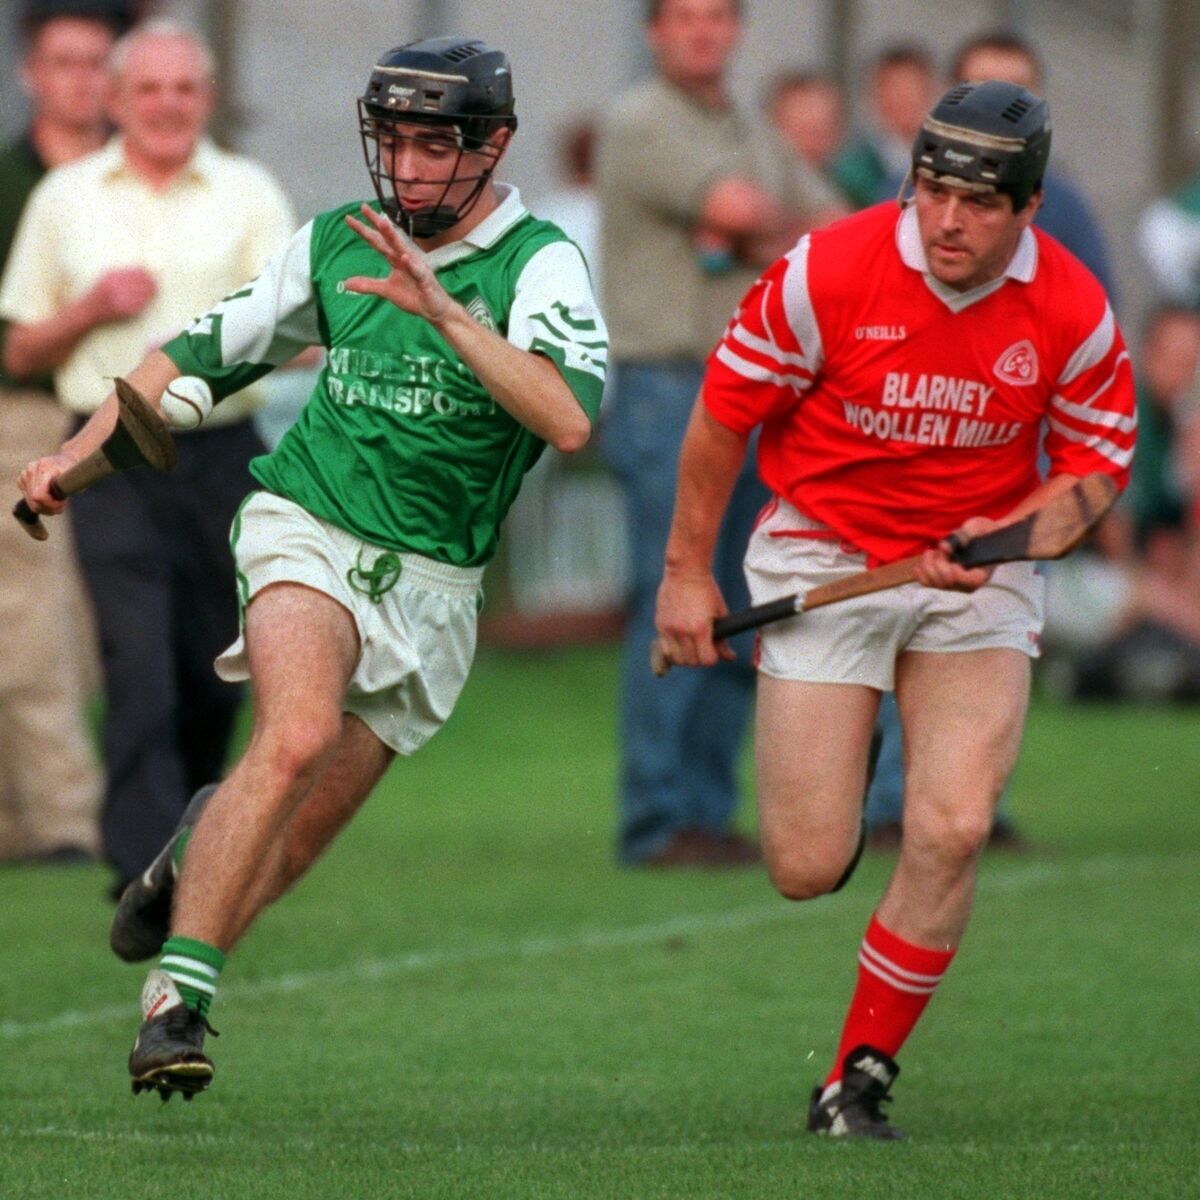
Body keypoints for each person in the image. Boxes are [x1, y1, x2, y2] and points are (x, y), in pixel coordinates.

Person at [19, 33, 606, 1102]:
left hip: (437, 588)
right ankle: (173, 1008)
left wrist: (445, 313)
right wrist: (73, 457)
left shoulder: (540, 264)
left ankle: (199, 842)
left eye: (439, 145)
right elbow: (189, 357)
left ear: (495, 144)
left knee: (283, 853)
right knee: (290, 737)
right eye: (397, 142)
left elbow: (565, 416)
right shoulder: (339, 241)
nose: (414, 167)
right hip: (309, 525)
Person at [654, 80, 1134, 1137]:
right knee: (806, 863)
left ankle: (856, 1080)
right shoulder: (828, 270)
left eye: (979, 201)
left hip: (979, 575)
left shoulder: (1071, 307)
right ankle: (850, 732)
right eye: (933, 191)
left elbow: (1097, 470)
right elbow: (723, 414)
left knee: (954, 827)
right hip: (827, 552)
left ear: (1029, 207)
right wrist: (688, 573)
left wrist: (1006, 540)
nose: (949, 220)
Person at [0, 19, 297, 895]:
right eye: (149, 89)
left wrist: (212, 346)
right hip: (105, 447)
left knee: (212, 664)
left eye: (184, 89)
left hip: (224, 449)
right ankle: (143, 868)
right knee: (134, 662)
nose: (166, 105)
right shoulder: (66, 199)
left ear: (205, 99)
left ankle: (195, 828)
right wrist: (89, 309)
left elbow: (297, 328)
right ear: (119, 100)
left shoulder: (249, 192)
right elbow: (18, 350)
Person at [596, 0, 843, 868]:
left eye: (718, 17)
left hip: (748, 395)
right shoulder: (640, 118)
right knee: (668, 596)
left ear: (737, 31)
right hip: (667, 384)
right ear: (655, 33)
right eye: (684, 18)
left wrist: (747, 232)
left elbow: (841, 228)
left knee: (743, 604)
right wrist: (757, 227)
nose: (703, 32)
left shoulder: (745, 122)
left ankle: (705, 809)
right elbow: (745, 208)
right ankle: (656, 819)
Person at [0, 1, 127, 866]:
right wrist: (88, 311)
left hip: (123, 415)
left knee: (89, 629)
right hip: (26, 412)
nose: (82, 80)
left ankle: (16, 814)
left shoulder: (136, 180)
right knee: (31, 616)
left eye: (96, 63)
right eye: (65, 62)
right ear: (30, 74)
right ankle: (65, 819)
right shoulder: (11, 183)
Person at [831, 43, 936, 209]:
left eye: (911, 85)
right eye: (894, 87)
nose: (903, 96)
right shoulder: (852, 168)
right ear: (874, 95)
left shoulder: (946, 156)